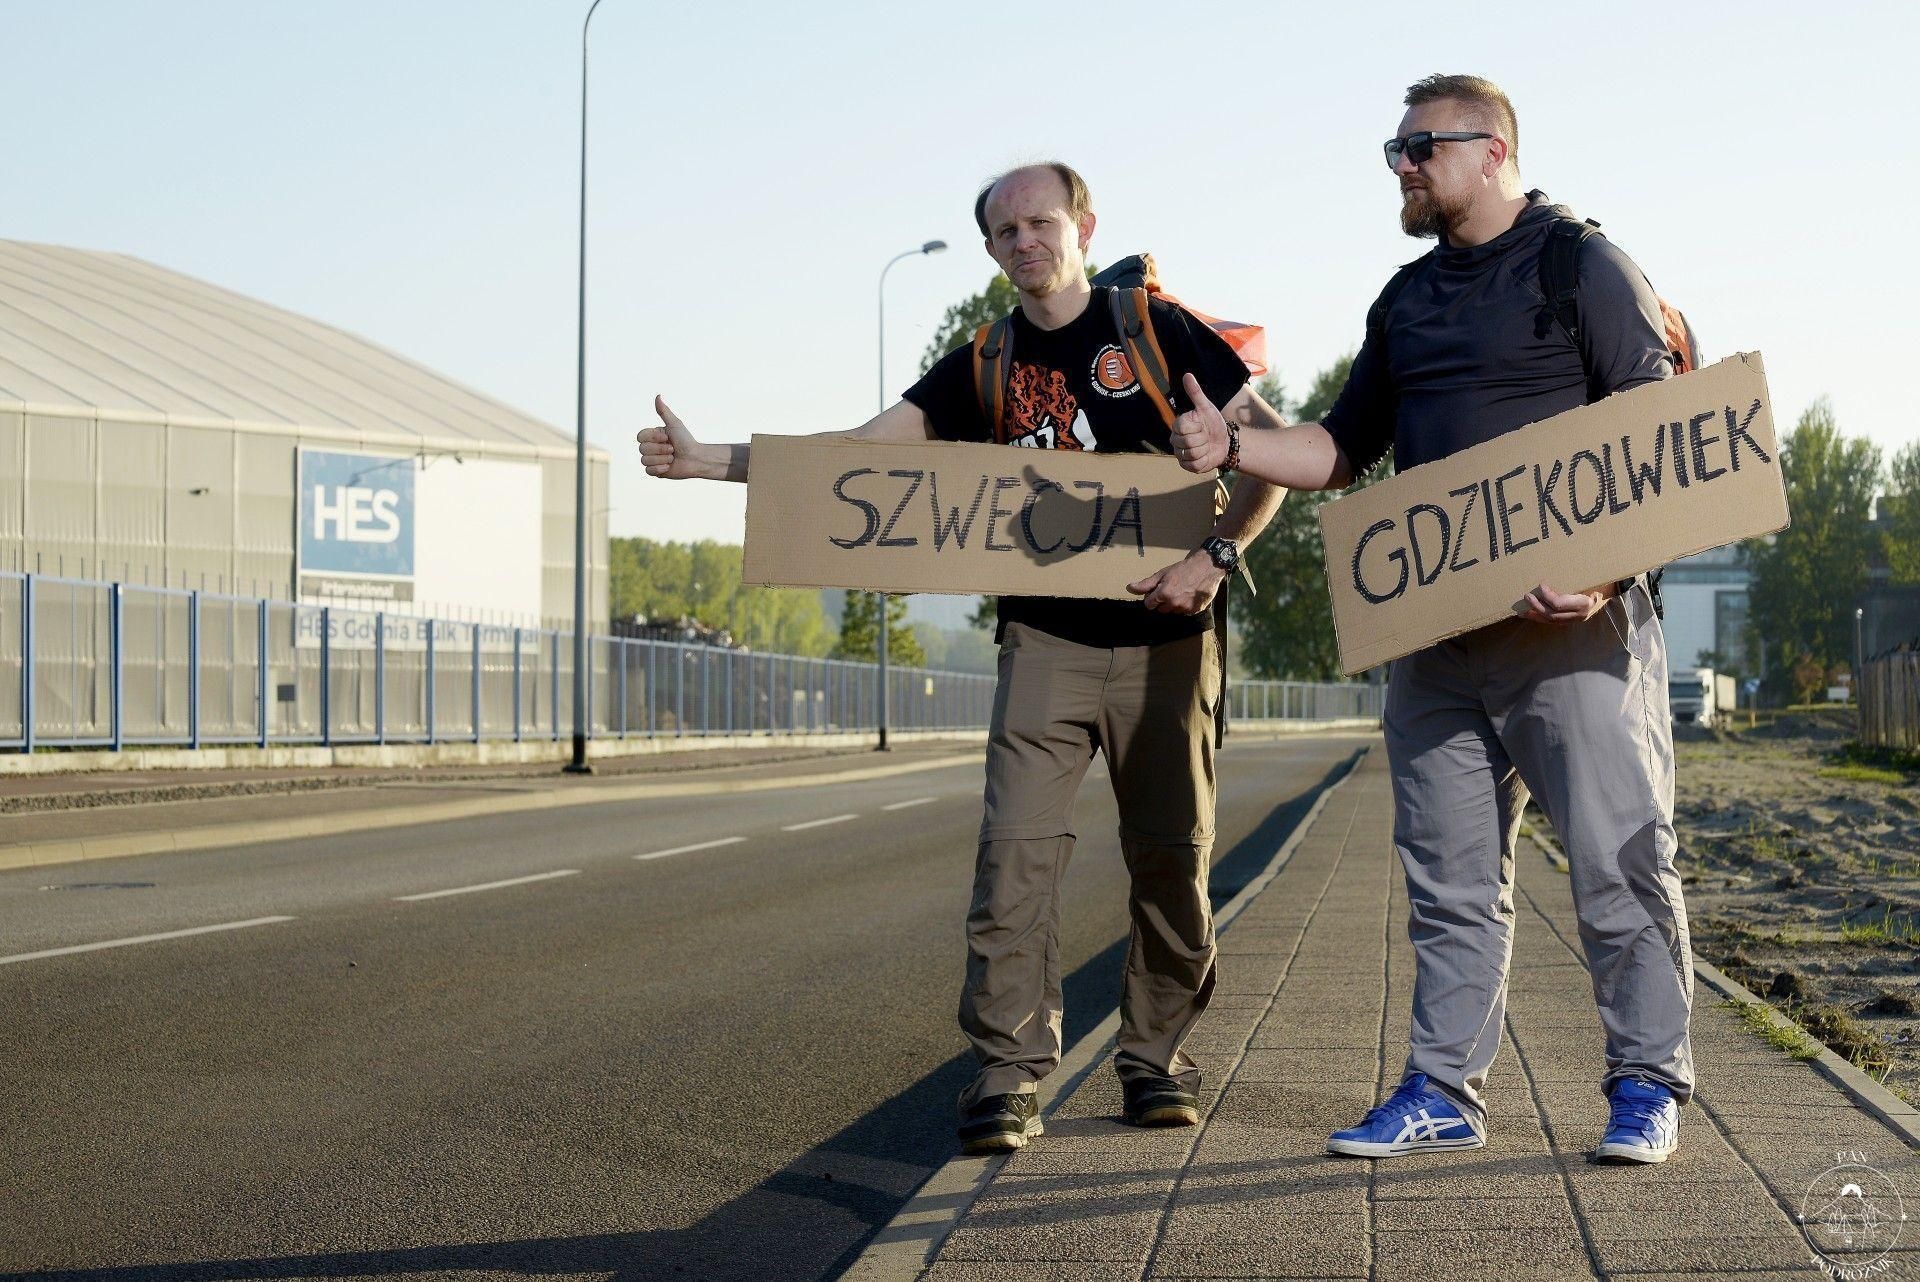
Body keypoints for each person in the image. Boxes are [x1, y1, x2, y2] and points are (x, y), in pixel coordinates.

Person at [639, 162, 1287, 1155]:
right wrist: (711, 461)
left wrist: (1213, 559)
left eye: (1041, 222)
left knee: (1170, 856)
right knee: (1015, 857)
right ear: (991, 249)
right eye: (1005, 230)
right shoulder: (978, 360)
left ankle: (1155, 1058)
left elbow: (1273, 456)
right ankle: (1010, 1070)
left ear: (1082, 225)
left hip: (1171, 638)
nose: (1024, 240)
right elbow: (857, 456)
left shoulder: (1157, 332)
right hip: (1043, 640)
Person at [1170, 75, 1693, 1164]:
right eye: (1394, 152)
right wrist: (1234, 449)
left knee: (1619, 860)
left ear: (1492, 151)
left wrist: (1602, 576)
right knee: (1450, 880)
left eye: (1419, 148)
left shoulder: (1582, 264)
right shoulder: (1405, 300)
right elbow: (1335, 450)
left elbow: (1659, 437)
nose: (1401, 168)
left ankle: (1647, 1083)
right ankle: (1445, 1088)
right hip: (1437, 646)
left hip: (1575, 636)